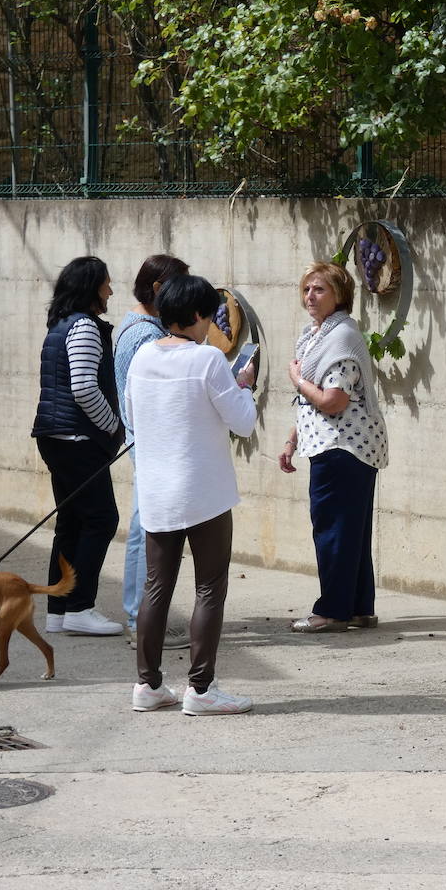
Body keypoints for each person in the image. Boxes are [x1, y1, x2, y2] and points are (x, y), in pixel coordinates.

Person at [126, 273, 258, 715]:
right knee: (209, 588)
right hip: (204, 491)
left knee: (156, 587)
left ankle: (147, 685)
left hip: (157, 490)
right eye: (209, 317)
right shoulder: (207, 360)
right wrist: (246, 385)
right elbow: (243, 422)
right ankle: (201, 689)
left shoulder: (142, 356)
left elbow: (133, 413)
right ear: (199, 315)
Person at [279, 261, 389, 634]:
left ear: (340, 295)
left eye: (320, 289)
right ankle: (358, 608)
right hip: (334, 445)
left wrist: (296, 380)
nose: (310, 296)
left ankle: (332, 611)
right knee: (350, 532)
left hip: (343, 447)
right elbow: (314, 403)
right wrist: (293, 439)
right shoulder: (316, 336)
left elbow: (332, 401)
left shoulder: (340, 338)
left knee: (333, 531)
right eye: (307, 289)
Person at [31, 256, 125, 636]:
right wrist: (113, 427)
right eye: (106, 284)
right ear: (91, 288)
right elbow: (84, 386)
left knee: (71, 522)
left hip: (56, 437)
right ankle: (80, 606)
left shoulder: (60, 325)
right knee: (102, 519)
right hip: (77, 439)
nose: (111, 291)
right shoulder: (84, 327)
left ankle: (59, 609)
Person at [114, 253, 191, 650]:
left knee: (146, 529)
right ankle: (139, 619)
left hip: (144, 443)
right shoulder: (146, 336)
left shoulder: (133, 324)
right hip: (152, 445)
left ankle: (137, 616)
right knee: (149, 532)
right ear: (159, 290)